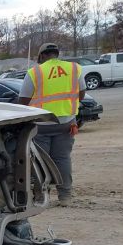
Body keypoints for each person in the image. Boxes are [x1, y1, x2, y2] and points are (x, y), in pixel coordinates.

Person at [18, 42, 85, 206]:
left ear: (41, 56)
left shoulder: (35, 72)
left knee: (39, 161)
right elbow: (81, 94)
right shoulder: (74, 69)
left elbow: (23, 100)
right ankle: (65, 197)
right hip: (66, 123)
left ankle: (41, 197)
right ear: (57, 54)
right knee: (62, 158)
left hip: (42, 125)